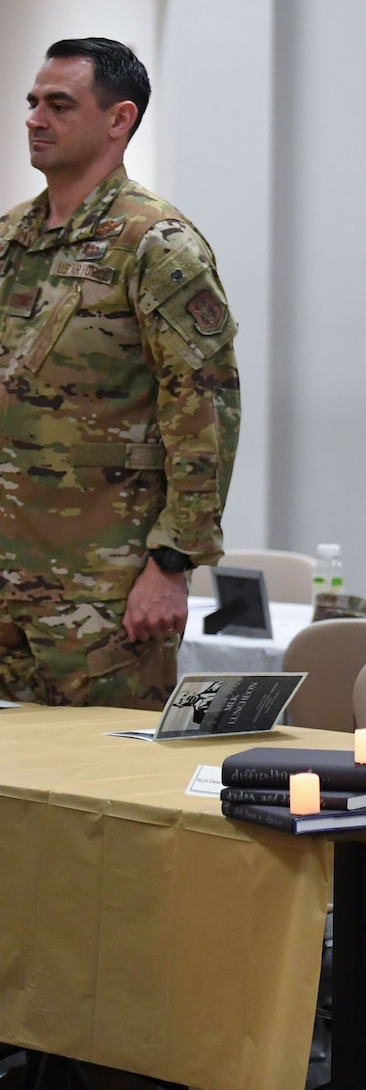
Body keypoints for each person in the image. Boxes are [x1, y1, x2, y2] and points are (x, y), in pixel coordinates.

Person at [0, 38, 239, 710]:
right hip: (9, 579)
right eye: (32, 102)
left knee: (103, 791)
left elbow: (205, 410)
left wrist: (172, 562)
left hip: (104, 591)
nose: (34, 119)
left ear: (119, 119)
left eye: (58, 104)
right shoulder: (11, 239)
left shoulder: (156, 243)